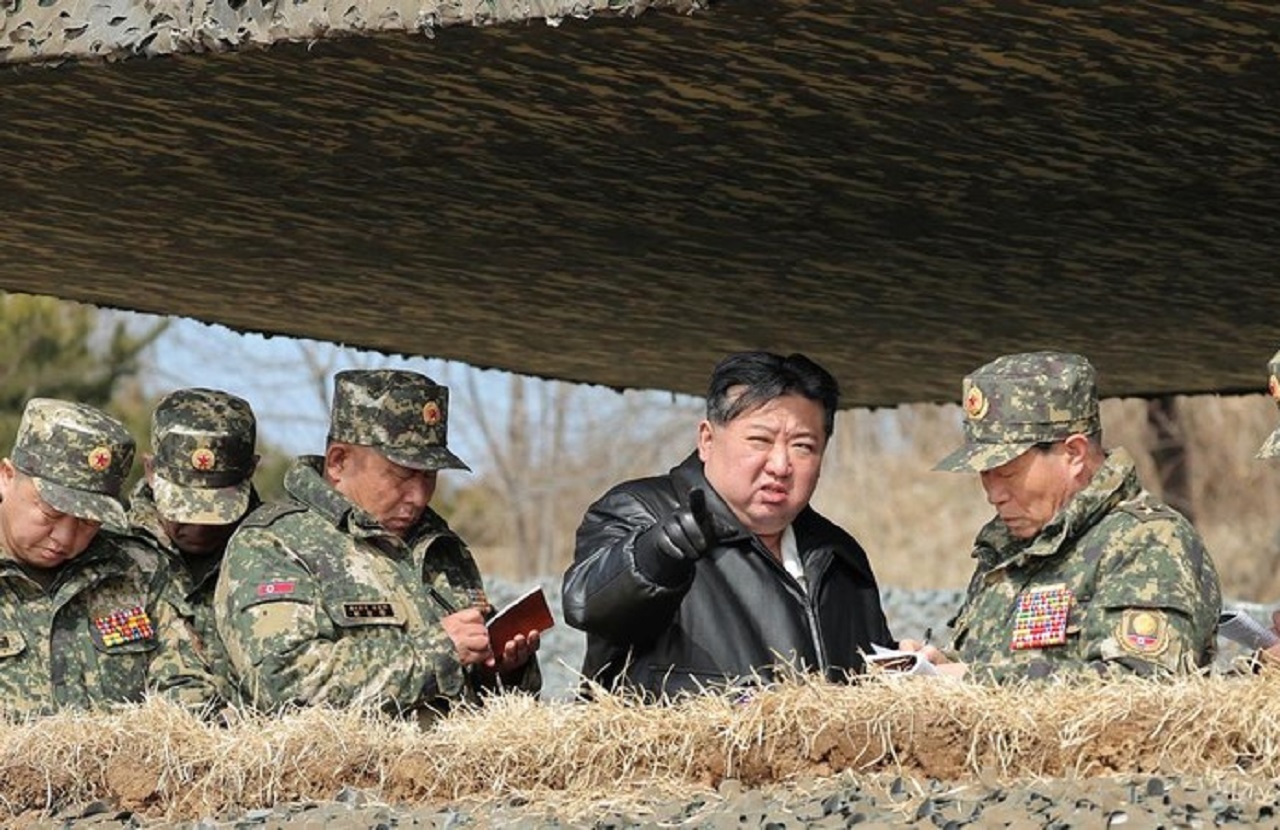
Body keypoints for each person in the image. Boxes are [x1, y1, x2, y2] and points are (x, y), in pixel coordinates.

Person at [562, 351, 894, 699]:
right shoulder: (642, 511)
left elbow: (864, 683)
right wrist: (658, 553)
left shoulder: (839, 555)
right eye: (760, 440)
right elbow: (586, 603)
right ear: (707, 439)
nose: (780, 465)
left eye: (803, 446)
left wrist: (908, 669)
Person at [214, 369, 540, 716]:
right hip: (352, 770)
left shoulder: (442, 548)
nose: (418, 495)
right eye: (401, 474)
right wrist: (439, 652)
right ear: (339, 462)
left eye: (429, 476)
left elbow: (478, 697)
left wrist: (502, 671)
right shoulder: (273, 544)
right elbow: (286, 685)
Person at [908, 351, 1221, 681]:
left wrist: (976, 681)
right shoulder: (1010, 546)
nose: (993, 493)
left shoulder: (1149, 543)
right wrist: (937, 666)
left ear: (1073, 453)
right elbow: (997, 662)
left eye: (1008, 473)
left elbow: (1138, 686)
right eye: (985, 473)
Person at [0, 398, 210, 716]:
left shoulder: (139, 570)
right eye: (51, 512)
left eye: (88, 521)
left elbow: (187, 689)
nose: (66, 537)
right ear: (6, 476)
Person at [128, 388, 260, 706]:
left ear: (252, 470)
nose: (200, 527)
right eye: (184, 508)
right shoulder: (112, 553)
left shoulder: (276, 554)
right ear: (150, 471)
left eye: (218, 508)